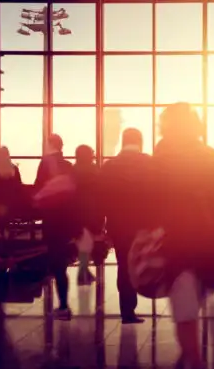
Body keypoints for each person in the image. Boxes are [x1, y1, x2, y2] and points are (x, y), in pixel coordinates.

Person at [153, 103, 214, 369]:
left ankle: (195, 362)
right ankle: (188, 355)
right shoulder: (213, 157)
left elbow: (153, 200)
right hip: (211, 240)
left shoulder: (163, 159)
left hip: (179, 241)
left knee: (183, 306)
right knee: (192, 299)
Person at [100, 129, 156, 324]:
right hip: (143, 225)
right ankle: (139, 298)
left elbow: (102, 200)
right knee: (144, 263)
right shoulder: (149, 164)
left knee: (123, 265)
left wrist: (103, 227)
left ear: (123, 142)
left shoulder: (109, 167)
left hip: (118, 225)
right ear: (140, 142)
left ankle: (127, 310)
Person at [34, 134, 75, 321]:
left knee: (55, 259)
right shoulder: (68, 166)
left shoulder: (45, 164)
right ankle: (63, 303)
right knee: (61, 261)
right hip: (66, 219)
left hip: (51, 218)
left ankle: (63, 304)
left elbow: (38, 189)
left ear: (50, 145)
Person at [73, 145, 103, 286]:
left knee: (83, 241)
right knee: (88, 241)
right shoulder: (95, 170)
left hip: (78, 210)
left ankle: (83, 270)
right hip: (93, 210)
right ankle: (83, 271)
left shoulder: (73, 170)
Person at [0, 146, 24, 235]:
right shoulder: (14, 169)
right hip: (14, 202)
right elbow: (19, 185)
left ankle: (2, 231)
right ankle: (11, 229)